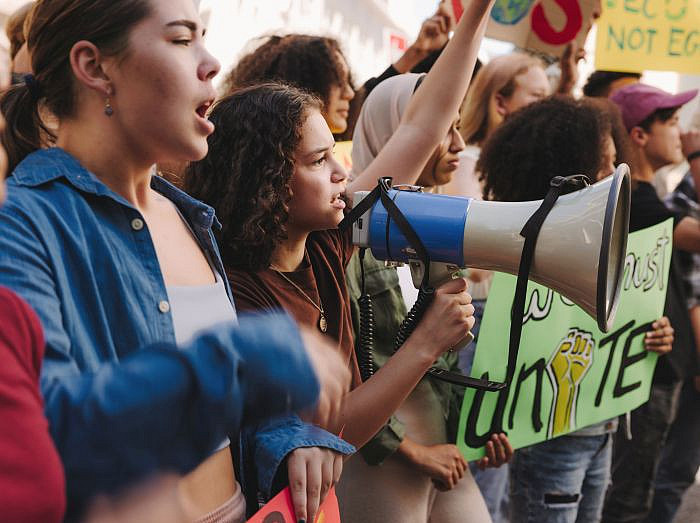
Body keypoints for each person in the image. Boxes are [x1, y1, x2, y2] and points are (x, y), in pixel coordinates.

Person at [0, 1, 353, 521]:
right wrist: (242, 359)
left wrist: (285, 436)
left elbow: (215, 408)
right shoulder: (25, 225)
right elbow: (45, 438)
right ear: (95, 68)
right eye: (182, 39)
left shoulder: (190, 215)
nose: (210, 63)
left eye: (204, 37)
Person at [185, 0, 495, 517]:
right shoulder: (242, 292)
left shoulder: (326, 239)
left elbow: (423, 125)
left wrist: (477, 15)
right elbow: (328, 428)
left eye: (335, 153)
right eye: (318, 160)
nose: (341, 173)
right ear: (270, 183)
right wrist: (426, 344)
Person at [478, 95, 676, 523]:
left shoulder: (606, 249)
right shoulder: (515, 260)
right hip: (550, 440)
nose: (613, 179)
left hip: (601, 429)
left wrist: (651, 336)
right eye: (601, 167)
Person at [334, 72, 511, 523]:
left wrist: (476, 431)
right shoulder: (344, 240)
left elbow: (443, 360)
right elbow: (341, 379)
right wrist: (412, 451)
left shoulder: (434, 230)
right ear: (397, 134)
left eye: (456, 127)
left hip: (443, 454)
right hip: (382, 464)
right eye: (439, 130)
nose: (455, 143)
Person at [602, 84, 700, 523]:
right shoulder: (634, 201)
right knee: (630, 500)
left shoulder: (648, 196)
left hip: (662, 367)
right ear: (639, 135)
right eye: (673, 122)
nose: (681, 133)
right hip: (649, 371)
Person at [645, 126, 700, 523]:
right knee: (671, 471)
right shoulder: (670, 199)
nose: (677, 131)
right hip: (685, 360)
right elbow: (692, 289)